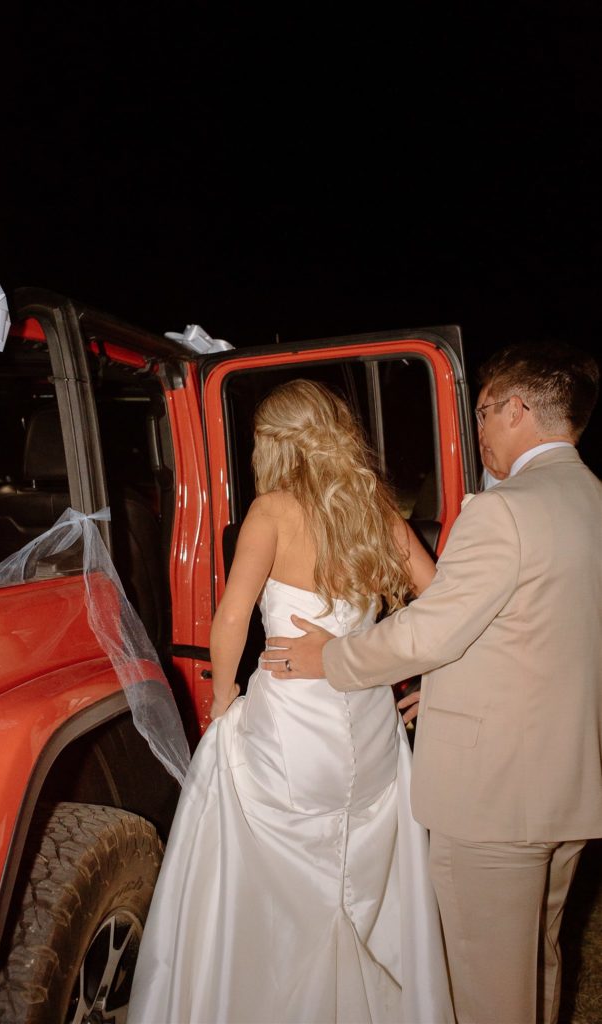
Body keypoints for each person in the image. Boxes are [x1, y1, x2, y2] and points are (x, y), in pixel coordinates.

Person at [262, 343, 602, 1024]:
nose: (477, 433)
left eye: (481, 414)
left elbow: (428, 633)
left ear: (516, 409)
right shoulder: (590, 501)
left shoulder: (503, 510)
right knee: (537, 962)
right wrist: (448, 689)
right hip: (566, 787)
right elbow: (543, 633)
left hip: (495, 799)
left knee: (484, 990)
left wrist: (333, 657)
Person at [127, 380, 454, 1024]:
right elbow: (444, 603)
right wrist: (383, 655)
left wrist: (225, 699)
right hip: (370, 731)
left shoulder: (273, 510)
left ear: (272, 444)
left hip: (292, 733)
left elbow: (230, 617)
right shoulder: (377, 509)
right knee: (355, 866)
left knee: (254, 841)